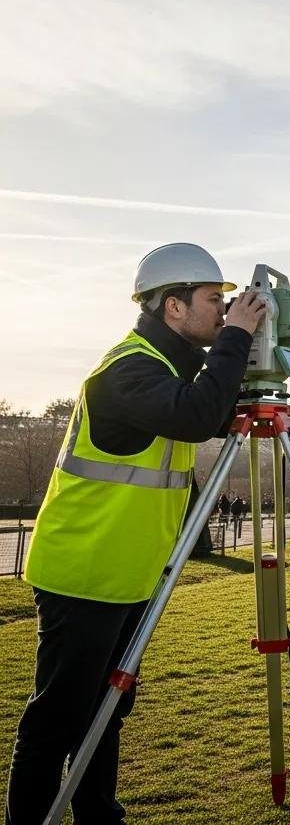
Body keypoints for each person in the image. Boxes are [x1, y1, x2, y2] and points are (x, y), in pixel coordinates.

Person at [7, 243, 265, 825]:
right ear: (173, 306)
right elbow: (198, 416)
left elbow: (209, 409)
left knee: (107, 709)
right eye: (213, 300)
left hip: (124, 574)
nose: (224, 311)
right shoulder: (129, 371)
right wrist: (238, 339)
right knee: (57, 721)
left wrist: (247, 360)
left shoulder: (167, 370)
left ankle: (99, 815)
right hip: (86, 572)